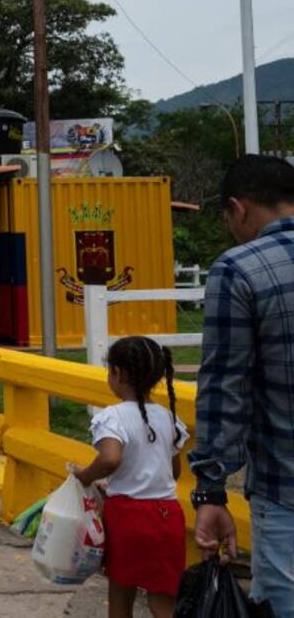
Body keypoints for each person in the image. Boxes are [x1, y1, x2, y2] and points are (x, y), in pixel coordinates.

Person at [189, 154, 294, 614]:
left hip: (285, 489)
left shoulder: (239, 269)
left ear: (239, 207)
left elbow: (223, 388)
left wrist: (211, 490)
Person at [74, 337, 187, 617]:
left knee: (121, 594)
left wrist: (85, 476)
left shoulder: (113, 417)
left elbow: (111, 458)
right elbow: (174, 472)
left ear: (119, 373)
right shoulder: (168, 417)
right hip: (168, 516)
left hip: (128, 516)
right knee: (163, 600)